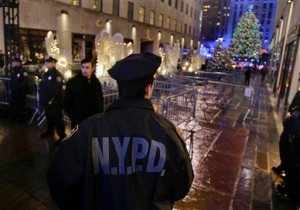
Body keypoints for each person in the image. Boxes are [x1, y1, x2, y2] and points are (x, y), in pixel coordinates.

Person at [47, 52, 194, 210]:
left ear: (120, 88)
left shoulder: (88, 130)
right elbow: (181, 185)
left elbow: (59, 178)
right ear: (149, 88)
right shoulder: (167, 133)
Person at [65, 58, 104, 129]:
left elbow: (100, 99)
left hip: (93, 119)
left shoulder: (96, 82)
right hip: (78, 120)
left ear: (93, 68)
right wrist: (73, 117)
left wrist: (100, 114)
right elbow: (67, 101)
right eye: (83, 67)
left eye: (87, 67)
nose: (84, 70)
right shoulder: (73, 82)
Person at [272, 90, 300, 176]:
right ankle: (284, 166)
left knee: (292, 152)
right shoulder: (298, 93)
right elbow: (293, 105)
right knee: (284, 144)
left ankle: (287, 172)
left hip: (296, 130)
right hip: (291, 128)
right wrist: (290, 112)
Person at [39, 56, 66, 144]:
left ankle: (62, 135)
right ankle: (50, 131)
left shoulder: (57, 75)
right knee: (49, 117)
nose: (46, 64)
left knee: (57, 119)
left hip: (54, 102)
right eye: (46, 62)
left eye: (49, 62)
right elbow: (42, 86)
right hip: (47, 101)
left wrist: (47, 98)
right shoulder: (46, 74)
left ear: (54, 63)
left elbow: (55, 90)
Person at [9, 57, 29, 122]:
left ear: (18, 63)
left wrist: (17, 88)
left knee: (20, 106)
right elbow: (13, 81)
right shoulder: (15, 70)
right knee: (14, 105)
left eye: (13, 62)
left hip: (20, 92)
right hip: (14, 91)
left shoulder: (22, 71)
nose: (12, 63)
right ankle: (14, 117)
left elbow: (24, 82)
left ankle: (20, 119)